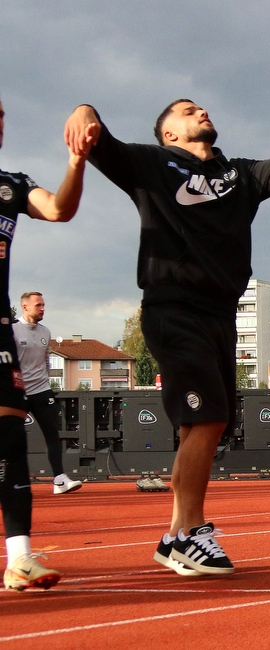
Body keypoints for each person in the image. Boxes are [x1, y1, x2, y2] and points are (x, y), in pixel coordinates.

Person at [64, 100, 270, 576]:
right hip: (174, 308)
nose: (203, 112)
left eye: (203, 107)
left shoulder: (240, 176)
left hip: (220, 314)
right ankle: (191, 532)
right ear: (169, 134)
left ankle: (175, 535)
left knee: (206, 424)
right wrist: (84, 112)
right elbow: (100, 142)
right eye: (189, 111)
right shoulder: (152, 164)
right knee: (207, 418)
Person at [2, 95, 92, 590]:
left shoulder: (12, 185)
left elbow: (59, 209)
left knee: (10, 444)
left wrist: (76, 160)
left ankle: (20, 558)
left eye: (0, 115)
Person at [13, 292, 82, 494]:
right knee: (12, 437)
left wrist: (47, 381)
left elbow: (45, 361)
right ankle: (12, 481)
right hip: (17, 393)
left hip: (42, 390)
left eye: (43, 305)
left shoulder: (45, 332)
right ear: (25, 307)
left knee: (52, 434)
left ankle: (59, 480)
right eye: (38, 305)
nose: (43, 308)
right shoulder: (11, 331)